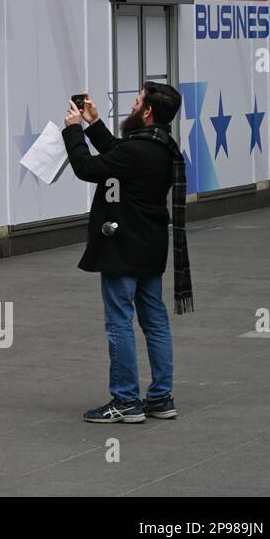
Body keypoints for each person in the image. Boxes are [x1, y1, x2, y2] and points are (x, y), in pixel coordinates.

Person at [62, 81, 192, 424]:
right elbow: (117, 153)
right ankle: (161, 398)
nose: (132, 107)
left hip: (123, 248)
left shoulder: (138, 150)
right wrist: (92, 122)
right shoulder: (162, 145)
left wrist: (73, 131)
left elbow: (88, 168)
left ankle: (125, 400)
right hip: (151, 246)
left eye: (136, 103)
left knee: (119, 322)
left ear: (147, 112)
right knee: (155, 322)